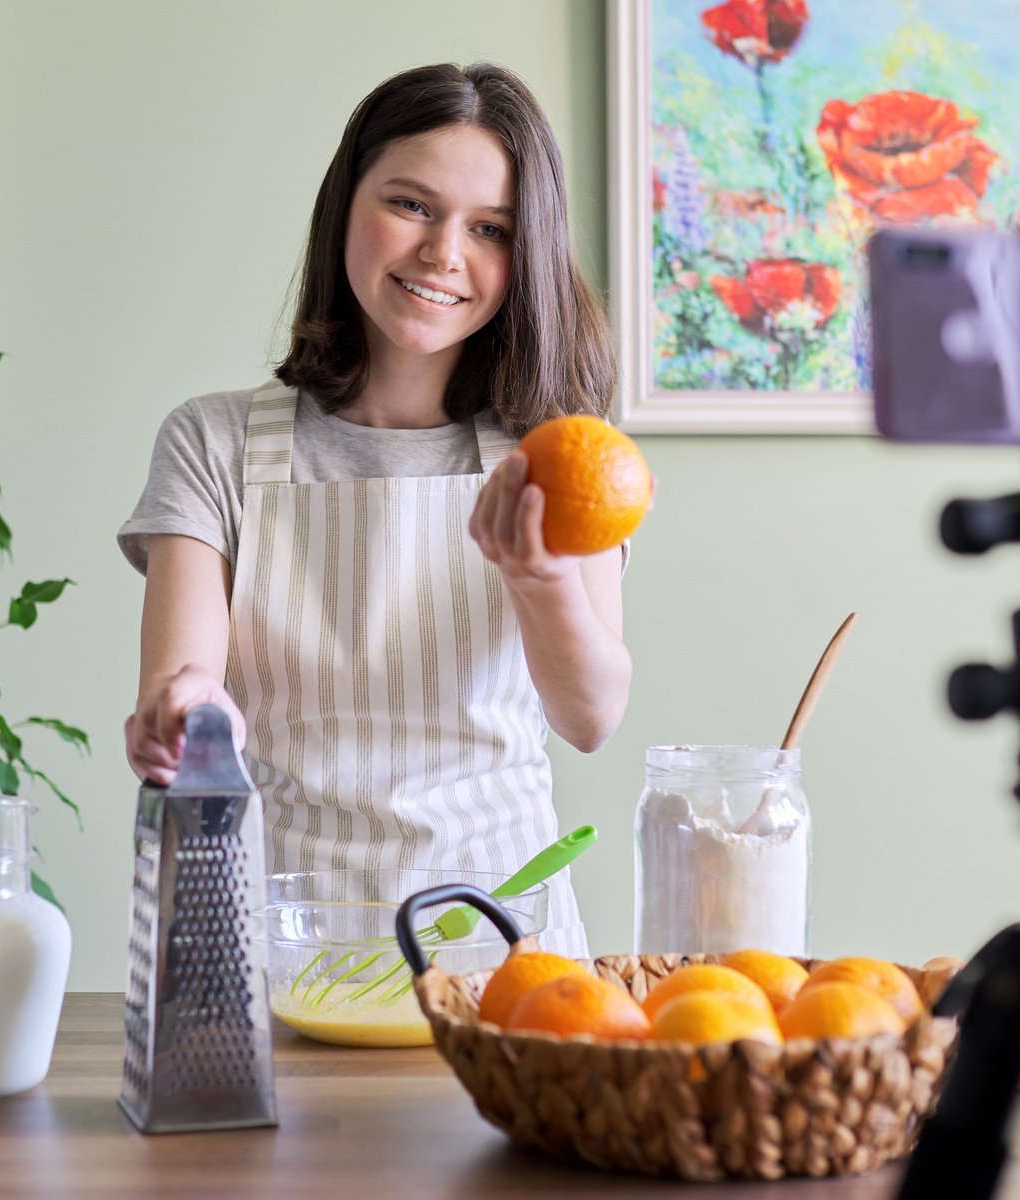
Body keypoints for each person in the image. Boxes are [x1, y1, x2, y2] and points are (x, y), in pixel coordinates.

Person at [116, 63, 630, 955]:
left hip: (504, 946)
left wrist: (536, 573)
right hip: (281, 935)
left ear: (526, 253)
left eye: (490, 229)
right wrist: (189, 713)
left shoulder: (556, 453)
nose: (443, 253)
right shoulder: (212, 442)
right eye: (413, 205)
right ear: (345, 204)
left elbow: (591, 717)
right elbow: (187, 684)